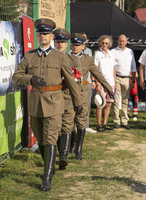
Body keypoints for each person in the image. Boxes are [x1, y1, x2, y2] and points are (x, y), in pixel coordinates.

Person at [12, 18, 83, 192]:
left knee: (51, 137)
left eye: (46, 33)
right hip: (36, 103)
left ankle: (47, 177)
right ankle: (49, 167)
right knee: (41, 139)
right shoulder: (29, 56)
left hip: (55, 102)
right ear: (37, 35)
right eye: (40, 33)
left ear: (51, 36)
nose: (42, 36)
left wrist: (78, 102)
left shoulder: (60, 57)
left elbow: (70, 81)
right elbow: (16, 76)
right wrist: (31, 79)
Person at [70, 33, 113, 159]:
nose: (75, 47)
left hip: (83, 91)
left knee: (81, 120)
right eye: (73, 44)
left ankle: (79, 148)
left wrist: (108, 88)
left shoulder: (88, 59)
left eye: (78, 45)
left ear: (83, 46)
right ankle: (72, 144)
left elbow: (98, 74)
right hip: (68, 93)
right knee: (70, 120)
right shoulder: (65, 58)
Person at [52, 28, 83, 170]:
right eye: (57, 42)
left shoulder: (74, 60)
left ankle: (63, 155)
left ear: (67, 44)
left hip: (68, 96)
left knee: (67, 125)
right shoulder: (49, 58)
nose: (60, 44)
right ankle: (59, 151)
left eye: (62, 42)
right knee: (56, 128)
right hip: (52, 97)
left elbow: (78, 79)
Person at [111, 34, 137, 130]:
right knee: (116, 101)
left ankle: (125, 121)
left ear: (126, 42)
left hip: (127, 78)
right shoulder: (113, 52)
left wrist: (133, 80)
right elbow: (111, 66)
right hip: (116, 78)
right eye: (120, 41)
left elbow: (133, 67)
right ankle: (116, 121)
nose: (122, 43)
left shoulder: (130, 52)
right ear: (117, 41)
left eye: (123, 41)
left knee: (125, 101)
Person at [93, 35, 116, 132]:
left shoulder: (112, 54)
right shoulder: (97, 54)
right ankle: (98, 125)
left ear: (109, 44)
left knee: (108, 105)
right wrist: (97, 83)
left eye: (106, 43)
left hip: (111, 83)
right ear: (100, 43)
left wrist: (115, 83)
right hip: (101, 83)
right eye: (103, 43)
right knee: (100, 104)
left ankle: (105, 123)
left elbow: (113, 69)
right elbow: (95, 70)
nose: (104, 45)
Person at [80, 32, 96, 134]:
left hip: (88, 81)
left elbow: (92, 68)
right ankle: (77, 126)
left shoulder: (89, 51)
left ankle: (86, 125)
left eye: (84, 39)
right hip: (77, 82)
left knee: (87, 105)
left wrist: (93, 80)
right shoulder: (72, 51)